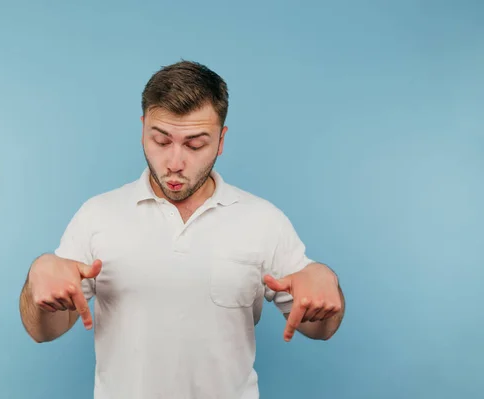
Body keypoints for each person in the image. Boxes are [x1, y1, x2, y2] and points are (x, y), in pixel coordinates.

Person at [19, 60, 345, 398]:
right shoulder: (97, 215)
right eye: (161, 140)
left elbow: (320, 329)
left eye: (195, 144)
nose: (174, 162)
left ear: (221, 140)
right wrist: (37, 280)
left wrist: (326, 285)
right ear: (143, 129)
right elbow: (43, 331)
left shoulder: (263, 220)